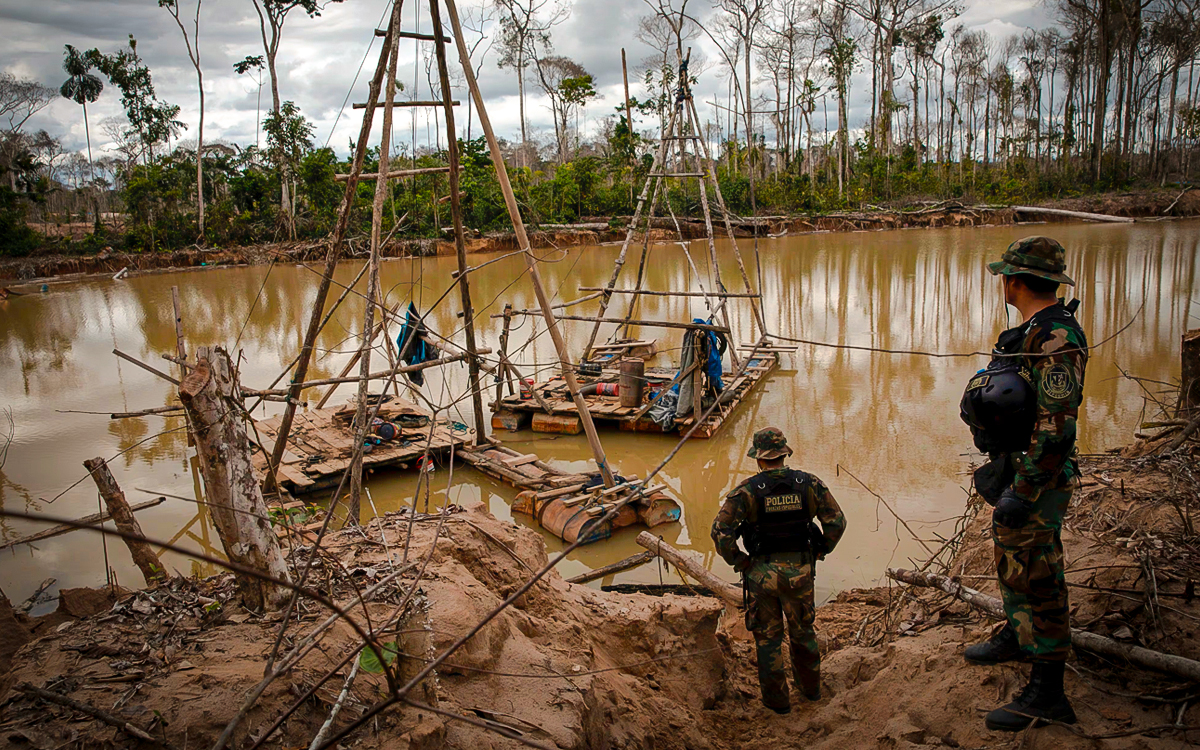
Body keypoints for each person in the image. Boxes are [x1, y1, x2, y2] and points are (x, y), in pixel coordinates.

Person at [960, 236, 1088, 731]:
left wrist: (1026, 489)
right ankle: (1019, 633)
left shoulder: (1056, 337)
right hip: (1017, 468)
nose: (1002, 284)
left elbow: (1058, 425)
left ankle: (1048, 690)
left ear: (1015, 281)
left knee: (1041, 574)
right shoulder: (1031, 330)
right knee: (1012, 558)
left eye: (1004, 277)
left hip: (1039, 478)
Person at [711, 427, 846, 714]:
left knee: (768, 640)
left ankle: (777, 703)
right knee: (803, 633)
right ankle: (811, 693)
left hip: (761, 574)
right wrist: (820, 551)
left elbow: (721, 532)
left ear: (759, 460)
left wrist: (741, 562)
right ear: (784, 454)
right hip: (799, 572)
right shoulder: (809, 484)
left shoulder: (745, 492)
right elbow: (836, 522)